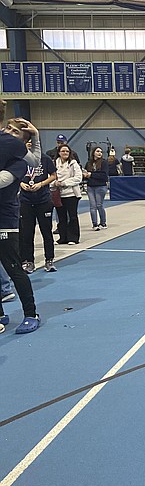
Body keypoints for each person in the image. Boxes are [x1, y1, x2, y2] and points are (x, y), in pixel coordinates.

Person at [0, 106, 41, 334]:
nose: (9, 132)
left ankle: (31, 313)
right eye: (8, 127)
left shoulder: (19, 161)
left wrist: (36, 137)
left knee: (13, 268)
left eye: (15, 132)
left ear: (22, 142)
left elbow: (3, 181)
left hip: (5, 218)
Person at [8, 120, 58, 273]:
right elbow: (13, 175)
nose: (29, 145)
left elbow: (54, 175)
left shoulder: (44, 159)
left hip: (43, 199)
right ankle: (28, 261)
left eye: (32, 142)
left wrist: (42, 184)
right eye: (27, 143)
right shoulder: (19, 158)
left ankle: (49, 260)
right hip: (25, 200)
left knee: (46, 231)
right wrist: (21, 184)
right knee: (26, 233)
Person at [54, 144, 83, 245]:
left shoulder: (73, 163)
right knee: (61, 217)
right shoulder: (54, 163)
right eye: (63, 151)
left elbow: (78, 178)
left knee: (72, 216)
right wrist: (55, 183)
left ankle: (73, 238)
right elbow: (51, 176)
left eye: (67, 151)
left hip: (71, 194)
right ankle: (63, 237)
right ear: (59, 153)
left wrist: (64, 183)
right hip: (58, 194)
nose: (65, 153)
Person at [83, 145, 109, 230]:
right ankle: (94, 224)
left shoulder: (104, 163)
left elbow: (104, 176)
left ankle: (103, 222)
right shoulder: (89, 163)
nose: (100, 153)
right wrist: (85, 175)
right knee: (92, 206)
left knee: (99, 205)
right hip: (90, 186)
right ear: (93, 152)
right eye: (98, 151)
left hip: (100, 186)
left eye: (101, 152)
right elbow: (87, 174)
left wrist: (92, 174)